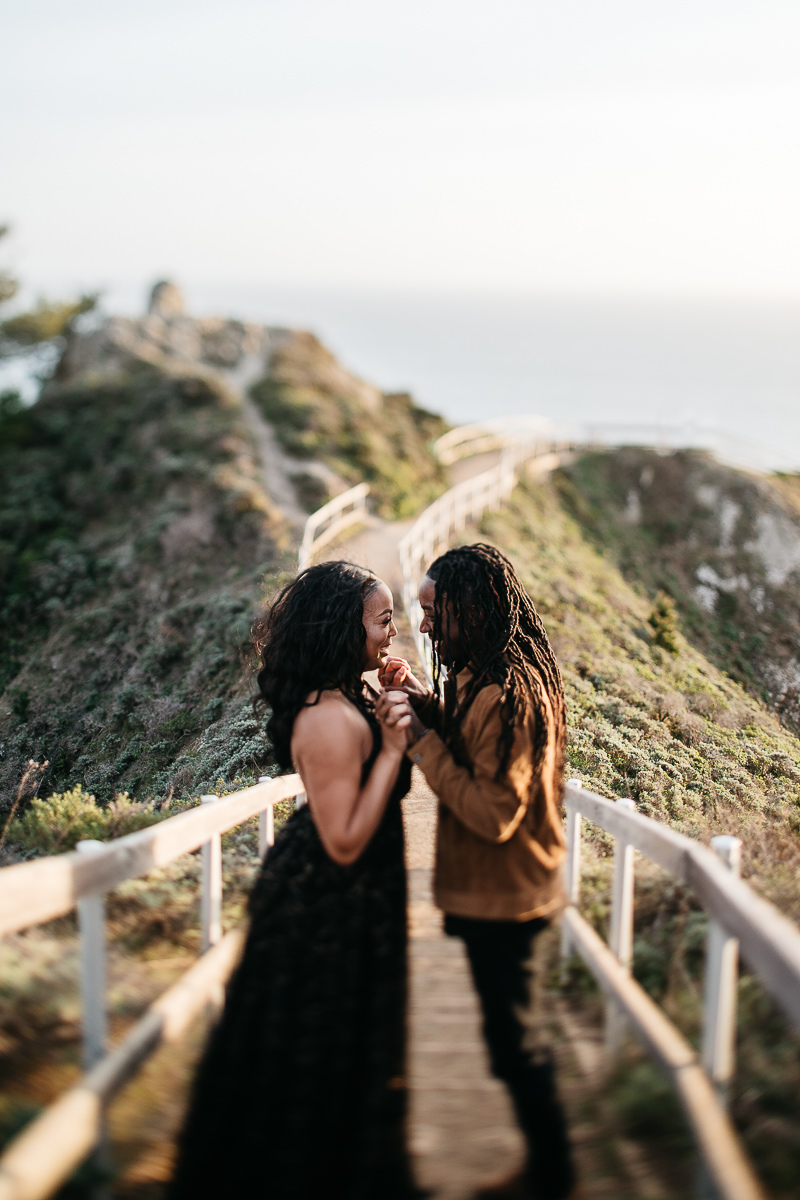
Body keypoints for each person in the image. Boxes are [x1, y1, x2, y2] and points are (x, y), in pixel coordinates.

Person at [169, 560, 423, 1200]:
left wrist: (402, 696)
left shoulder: (350, 697)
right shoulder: (328, 719)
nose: (393, 631)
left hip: (356, 897)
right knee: (319, 1052)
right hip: (326, 902)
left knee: (350, 1049)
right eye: (383, 619)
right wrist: (390, 751)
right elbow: (342, 842)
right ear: (346, 627)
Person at [376, 543, 575, 1200]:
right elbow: (469, 746)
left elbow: (493, 814)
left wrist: (421, 743)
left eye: (433, 612)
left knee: (518, 1048)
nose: (424, 626)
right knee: (506, 1041)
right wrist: (418, 699)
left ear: (471, 608)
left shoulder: (513, 694)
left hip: (510, 899)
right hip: (487, 895)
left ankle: (553, 1178)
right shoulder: (477, 676)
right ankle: (545, 1170)